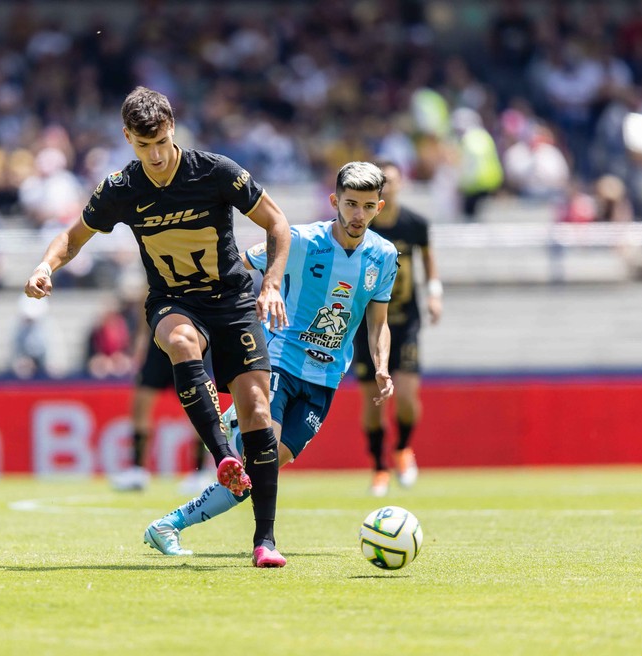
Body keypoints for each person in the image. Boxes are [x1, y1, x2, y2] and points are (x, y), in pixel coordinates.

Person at [26, 86, 291, 567]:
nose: (156, 156)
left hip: (232, 300)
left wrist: (271, 283)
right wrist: (46, 267)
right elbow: (72, 237)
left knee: (256, 409)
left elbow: (277, 223)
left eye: (163, 143)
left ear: (173, 130)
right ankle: (222, 457)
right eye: (144, 146)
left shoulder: (216, 171)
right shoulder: (121, 188)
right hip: (173, 301)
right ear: (128, 138)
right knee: (182, 341)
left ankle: (265, 541)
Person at [143, 161, 396, 557]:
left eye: (366, 206)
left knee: (268, 464)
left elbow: (378, 322)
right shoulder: (300, 241)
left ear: (379, 207)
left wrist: (381, 366)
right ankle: (213, 521)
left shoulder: (384, 256)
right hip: (278, 360)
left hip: (325, 377)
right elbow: (236, 265)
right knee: (260, 457)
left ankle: (168, 523)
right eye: (350, 204)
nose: (358, 215)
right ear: (334, 202)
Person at [352, 161, 442, 497]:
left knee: (405, 397)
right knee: (373, 402)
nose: (387, 187)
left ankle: (402, 448)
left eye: (391, 181)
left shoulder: (415, 224)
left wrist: (434, 293)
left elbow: (428, 258)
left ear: (401, 183)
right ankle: (379, 467)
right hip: (367, 324)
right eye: (382, 182)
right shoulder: (362, 225)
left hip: (405, 321)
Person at [110, 329, 213, 494]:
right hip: (158, 342)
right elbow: (144, 317)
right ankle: (137, 470)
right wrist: (140, 345)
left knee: (198, 407)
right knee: (140, 404)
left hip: (188, 342)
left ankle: (200, 472)